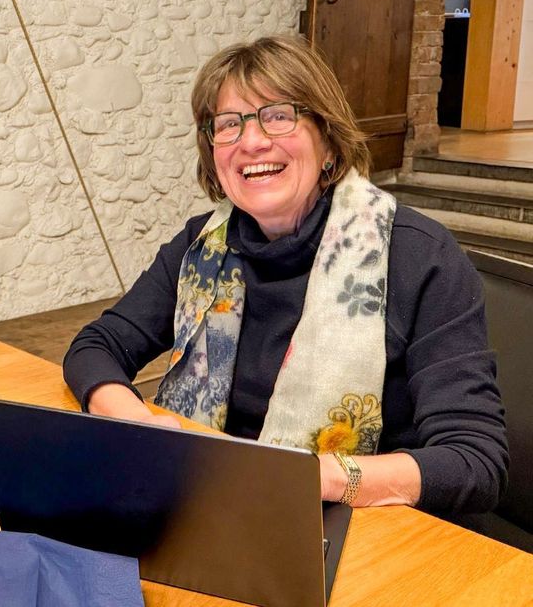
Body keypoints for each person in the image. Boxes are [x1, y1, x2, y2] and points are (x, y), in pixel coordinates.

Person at [63, 36, 508, 514]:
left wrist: (311, 476)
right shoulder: (202, 246)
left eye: (278, 115)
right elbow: (97, 345)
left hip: (360, 523)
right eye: (229, 125)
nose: (252, 141)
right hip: (219, 504)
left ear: (329, 142)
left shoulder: (419, 257)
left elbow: (474, 463)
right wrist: (134, 418)